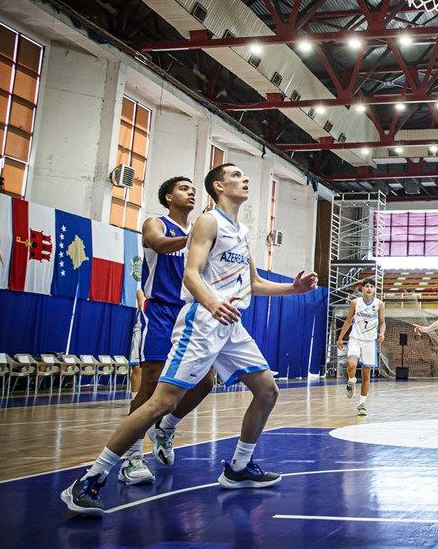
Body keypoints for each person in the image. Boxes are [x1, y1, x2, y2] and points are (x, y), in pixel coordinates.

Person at [61, 163, 318, 516]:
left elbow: (253, 284)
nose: (244, 179)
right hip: (203, 321)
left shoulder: (242, 232)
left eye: (245, 175)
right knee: (161, 400)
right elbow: (190, 274)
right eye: (236, 175)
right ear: (218, 186)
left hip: (231, 324)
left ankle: (239, 467)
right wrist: (211, 303)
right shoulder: (208, 222)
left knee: (267, 391)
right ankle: (90, 479)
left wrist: (293, 288)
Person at [118, 177, 216, 486]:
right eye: (184, 188)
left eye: (193, 189)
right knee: (150, 387)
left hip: (191, 313)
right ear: (168, 197)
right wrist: (195, 239)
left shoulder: (199, 231)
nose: (191, 192)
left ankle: (167, 427)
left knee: (205, 382)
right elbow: (158, 244)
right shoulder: (156, 223)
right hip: (161, 311)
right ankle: (132, 457)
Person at [336, 278, 385, 417]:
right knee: (351, 364)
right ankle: (351, 381)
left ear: (374, 289)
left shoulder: (379, 304)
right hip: (355, 339)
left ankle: (361, 405)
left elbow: (382, 322)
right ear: (362, 289)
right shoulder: (355, 302)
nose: (369, 288)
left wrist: (382, 333)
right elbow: (348, 320)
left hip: (370, 342)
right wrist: (340, 337)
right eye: (366, 286)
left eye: (371, 286)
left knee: (366, 374)